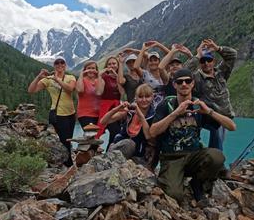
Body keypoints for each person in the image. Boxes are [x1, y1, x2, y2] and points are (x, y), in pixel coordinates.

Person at [149, 68, 236, 202]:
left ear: (192, 84)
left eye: (188, 81)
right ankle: (173, 177)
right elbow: (153, 131)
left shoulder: (199, 105)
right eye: (180, 82)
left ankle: (197, 183)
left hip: (194, 156)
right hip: (172, 158)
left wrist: (209, 112)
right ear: (174, 85)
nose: (184, 84)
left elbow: (232, 126)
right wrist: (175, 113)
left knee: (217, 157)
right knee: (174, 195)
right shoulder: (166, 104)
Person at [186, 39, 237, 150]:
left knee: (218, 135)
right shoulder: (197, 77)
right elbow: (184, 73)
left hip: (222, 115)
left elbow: (233, 54)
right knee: (215, 127)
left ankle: (215, 160)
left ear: (213, 61)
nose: (206, 63)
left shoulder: (222, 73)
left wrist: (218, 48)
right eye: (203, 61)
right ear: (200, 63)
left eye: (209, 60)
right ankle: (192, 150)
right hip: (205, 114)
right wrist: (198, 55)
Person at [28, 56, 76, 167]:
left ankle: (65, 162)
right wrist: (39, 77)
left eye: (62, 62)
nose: (60, 65)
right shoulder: (47, 80)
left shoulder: (70, 77)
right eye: (57, 63)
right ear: (54, 66)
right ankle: (68, 164)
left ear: (65, 65)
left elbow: (70, 89)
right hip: (58, 114)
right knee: (64, 140)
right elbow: (31, 90)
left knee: (68, 139)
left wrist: (57, 80)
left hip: (71, 113)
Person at [100, 84, 156, 170]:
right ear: (135, 98)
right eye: (140, 97)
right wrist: (117, 108)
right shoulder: (129, 112)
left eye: (147, 96)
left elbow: (148, 136)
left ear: (152, 97)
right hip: (118, 147)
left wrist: (140, 114)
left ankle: (109, 163)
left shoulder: (154, 116)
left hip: (138, 154)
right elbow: (103, 121)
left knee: (129, 144)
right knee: (126, 143)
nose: (144, 100)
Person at [95, 56, 124, 147]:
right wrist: (99, 76)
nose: (112, 65)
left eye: (114, 63)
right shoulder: (104, 77)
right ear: (106, 66)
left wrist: (116, 77)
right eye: (109, 64)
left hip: (117, 107)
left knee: (117, 132)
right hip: (106, 107)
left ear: (118, 65)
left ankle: (110, 153)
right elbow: (99, 92)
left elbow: (122, 93)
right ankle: (107, 153)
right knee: (113, 131)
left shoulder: (120, 78)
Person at [134, 41, 170, 108]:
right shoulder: (145, 74)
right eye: (150, 60)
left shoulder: (164, 72)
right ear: (148, 62)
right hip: (148, 105)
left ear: (159, 61)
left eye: (155, 60)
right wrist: (143, 49)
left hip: (164, 105)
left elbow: (170, 54)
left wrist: (158, 44)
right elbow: (136, 67)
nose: (153, 62)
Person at [76, 60, 100, 128]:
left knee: (96, 136)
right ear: (84, 70)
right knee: (90, 134)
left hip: (99, 114)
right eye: (89, 68)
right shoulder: (82, 80)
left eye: (93, 68)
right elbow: (80, 90)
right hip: (85, 114)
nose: (91, 70)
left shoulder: (99, 80)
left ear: (96, 70)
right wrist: (81, 75)